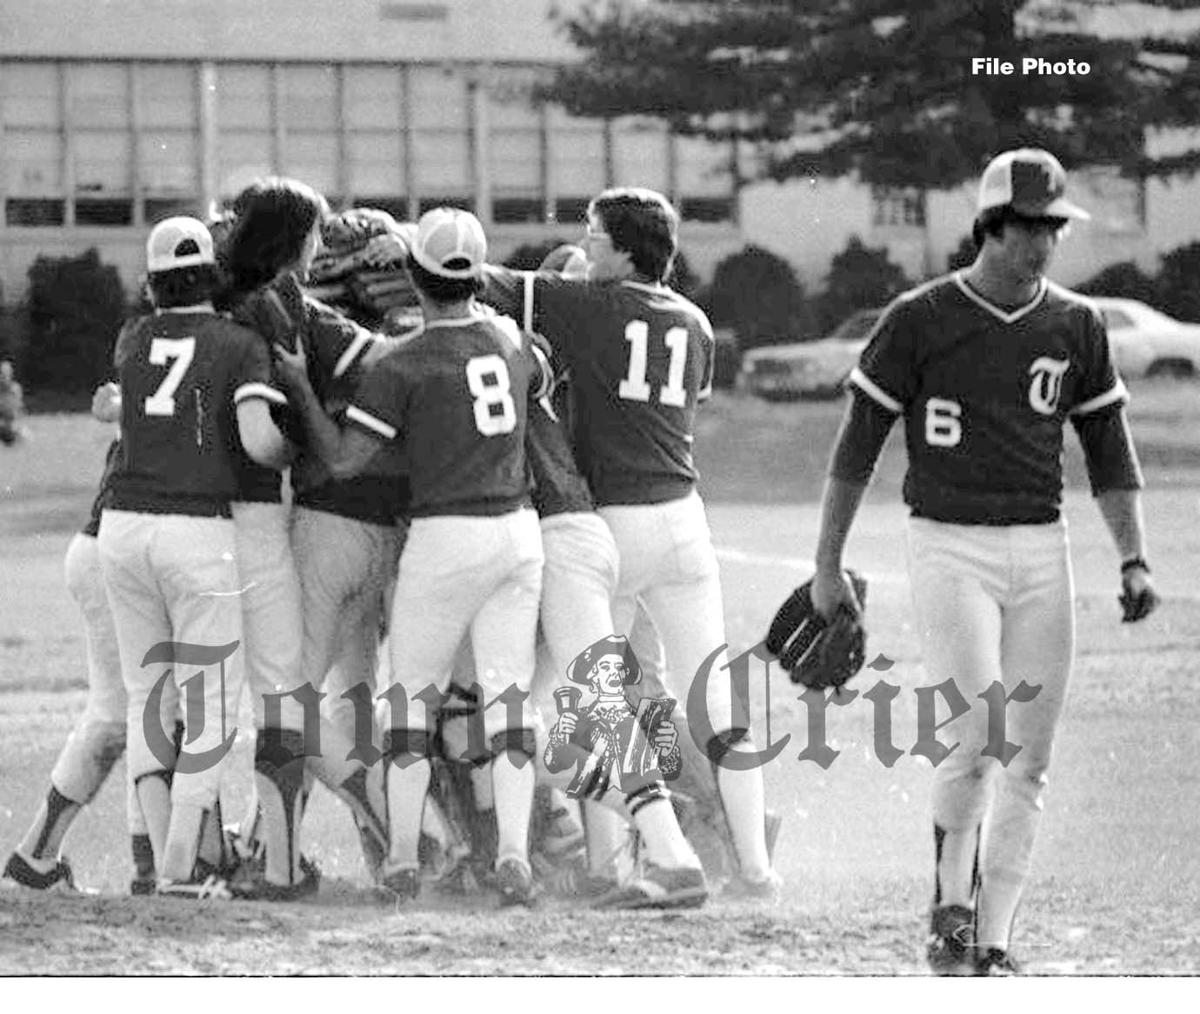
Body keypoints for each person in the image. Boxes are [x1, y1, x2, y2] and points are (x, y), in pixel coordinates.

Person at [808, 148, 1159, 974]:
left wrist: (1134, 557)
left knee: (1029, 758)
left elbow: (1109, 450)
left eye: (1053, 228)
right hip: (948, 543)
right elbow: (856, 447)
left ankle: (994, 941)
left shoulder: (1076, 323)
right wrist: (829, 563)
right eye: (1030, 226)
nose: (1044, 243)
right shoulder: (921, 316)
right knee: (974, 737)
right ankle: (950, 911)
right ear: (990, 227)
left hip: (1044, 546)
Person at [479, 188, 780, 900]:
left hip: (611, 522)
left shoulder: (592, 305)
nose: (587, 249)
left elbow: (478, 278)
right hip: (684, 517)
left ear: (624, 248)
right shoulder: (696, 320)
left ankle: (615, 861)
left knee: (592, 700)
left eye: (595, 236)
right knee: (712, 697)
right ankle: (757, 867)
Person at [274, 207, 548, 907]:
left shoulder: (403, 360)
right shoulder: (515, 339)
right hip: (518, 533)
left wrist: (303, 387)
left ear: (417, 277)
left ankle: (402, 856)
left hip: (445, 534)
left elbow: (340, 459)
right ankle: (515, 856)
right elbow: (536, 382)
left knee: (408, 703)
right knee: (508, 698)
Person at [97, 216, 291, 897]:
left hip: (121, 528)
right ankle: (183, 866)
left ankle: (161, 864)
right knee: (208, 707)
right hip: (197, 532)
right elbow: (259, 440)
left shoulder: (133, 336)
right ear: (212, 275)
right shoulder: (238, 342)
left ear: (154, 284)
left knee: (150, 697)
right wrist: (300, 447)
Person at [215, 178, 392, 895]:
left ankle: (270, 852)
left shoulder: (226, 300)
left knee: (289, 704)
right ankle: (393, 836)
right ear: (294, 243)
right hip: (337, 516)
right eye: (318, 236)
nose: (324, 249)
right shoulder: (290, 305)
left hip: (270, 522)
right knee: (326, 699)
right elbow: (388, 362)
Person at [0, 359, 26, 445]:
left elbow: (19, 410)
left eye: (7, 373)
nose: (4, 377)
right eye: (2, 373)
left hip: (11, 426)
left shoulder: (15, 389)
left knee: (26, 437)